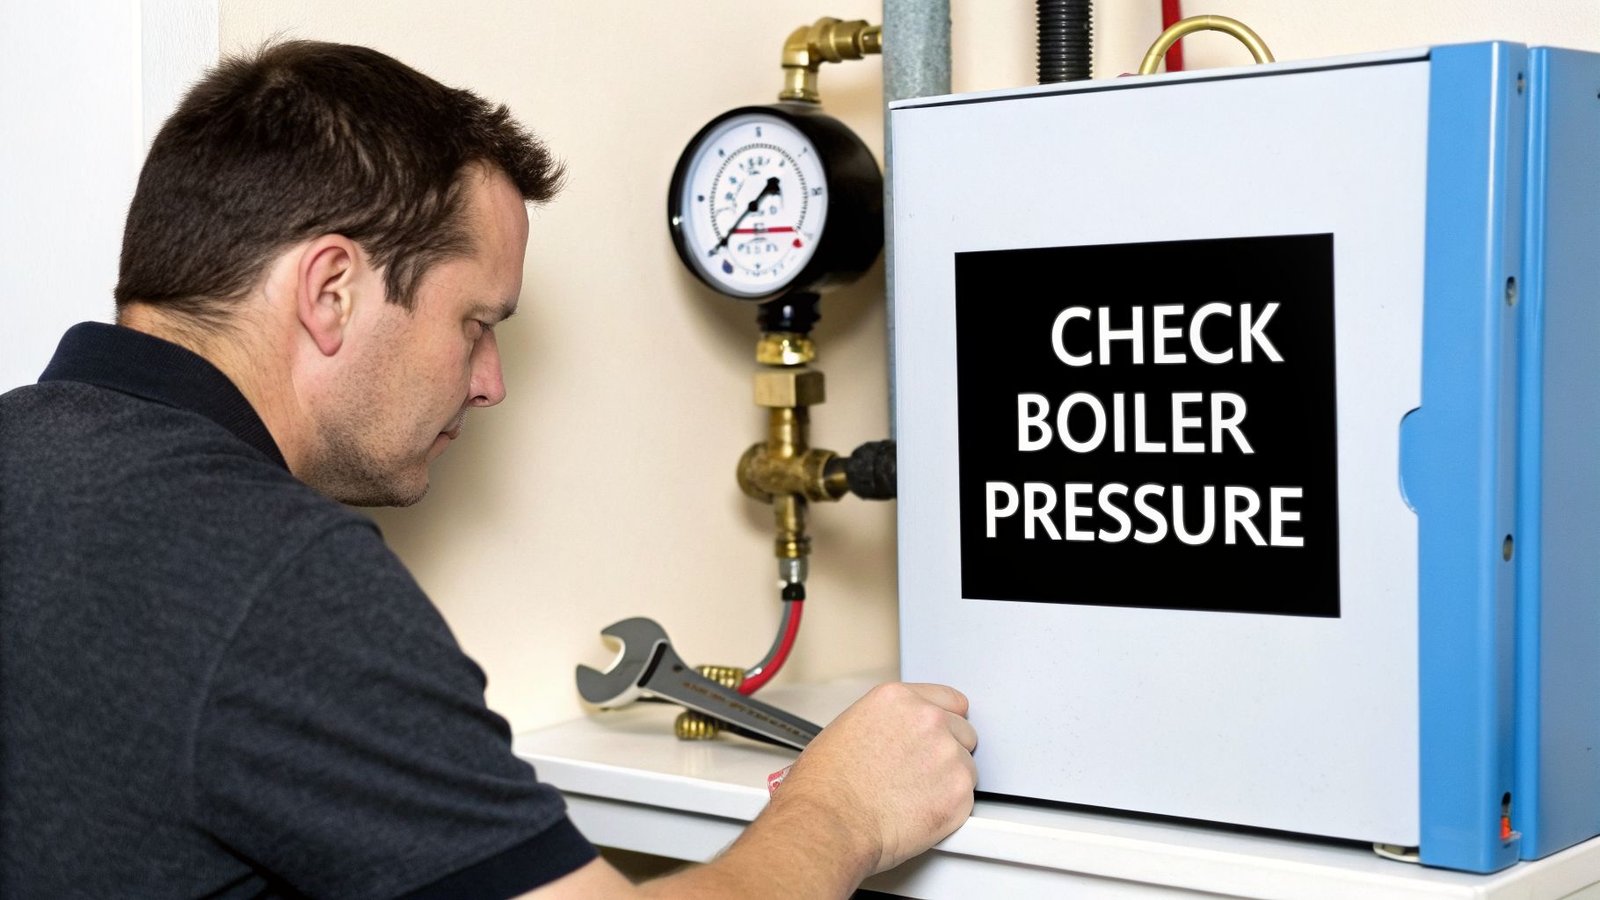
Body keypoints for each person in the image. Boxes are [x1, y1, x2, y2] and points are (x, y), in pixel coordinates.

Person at [0, 39, 978, 899]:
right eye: (474, 323)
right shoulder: (276, 575)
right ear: (331, 290)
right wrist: (841, 812)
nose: (490, 383)